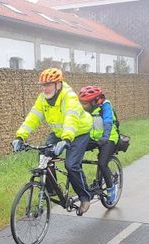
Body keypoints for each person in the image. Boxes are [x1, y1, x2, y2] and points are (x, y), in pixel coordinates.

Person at [12, 68, 94, 214]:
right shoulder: (43, 98)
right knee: (44, 156)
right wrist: (20, 136)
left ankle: (85, 196)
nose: (45, 88)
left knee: (71, 165)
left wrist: (67, 139)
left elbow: (71, 117)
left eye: (49, 84)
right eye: (43, 85)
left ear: (58, 84)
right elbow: (33, 117)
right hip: (59, 132)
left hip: (78, 132)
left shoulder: (69, 97)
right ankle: (50, 190)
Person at [78, 86, 119, 205]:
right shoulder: (86, 108)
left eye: (86, 103)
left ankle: (112, 189)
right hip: (93, 137)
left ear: (95, 101)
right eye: (83, 103)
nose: (84, 106)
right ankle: (84, 187)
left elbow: (108, 121)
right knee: (75, 158)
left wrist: (105, 137)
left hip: (109, 137)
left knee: (102, 163)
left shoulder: (105, 105)